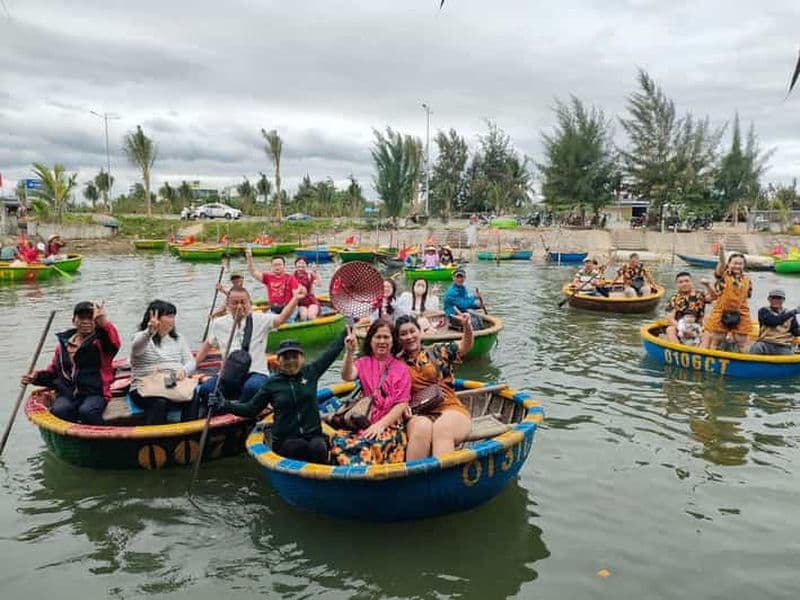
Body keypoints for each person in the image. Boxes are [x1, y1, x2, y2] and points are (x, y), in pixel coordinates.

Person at [211, 332, 346, 464]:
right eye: (286, 357)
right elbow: (250, 409)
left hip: (313, 435)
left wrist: (347, 331)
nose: (291, 361)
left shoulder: (311, 372)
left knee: (318, 448)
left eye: (294, 356)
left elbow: (332, 352)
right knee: (299, 448)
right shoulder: (272, 384)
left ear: (302, 358)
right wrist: (225, 404)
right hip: (286, 439)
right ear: (278, 361)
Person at [194, 286, 305, 406]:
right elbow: (207, 345)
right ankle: (218, 413)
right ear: (228, 304)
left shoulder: (260, 319)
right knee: (206, 390)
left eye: (243, 302)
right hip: (228, 374)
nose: (239, 306)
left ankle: (240, 412)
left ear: (249, 303)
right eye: (235, 303)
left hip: (255, 372)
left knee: (253, 387)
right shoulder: (218, 324)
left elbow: (281, 318)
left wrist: (295, 299)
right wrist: (191, 367)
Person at [21, 301, 121, 425]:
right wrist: (35, 378)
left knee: (87, 411)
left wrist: (104, 324)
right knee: (60, 410)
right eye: (81, 318)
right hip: (67, 393)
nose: (85, 322)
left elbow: (113, 343)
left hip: (95, 393)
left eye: (90, 318)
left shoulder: (100, 343)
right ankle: (72, 438)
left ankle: (102, 439)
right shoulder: (63, 346)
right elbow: (54, 373)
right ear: (74, 320)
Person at [330, 320, 411, 465]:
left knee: (371, 448)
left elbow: (402, 403)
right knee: (337, 443)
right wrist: (349, 352)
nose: (382, 341)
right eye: (377, 337)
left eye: (386, 337)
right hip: (364, 421)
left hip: (390, 424)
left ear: (393, 341)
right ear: (371, 340)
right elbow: (347, 376)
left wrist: (380, 425)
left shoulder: (401, 368)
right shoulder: (363, 362)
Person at [394, 313, 474, 459]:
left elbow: (465, 346)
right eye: (403, 334)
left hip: (449, 407)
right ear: (399, 339)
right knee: (421, 428)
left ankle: (443, 477)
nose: (409, 336)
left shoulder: (437, 351)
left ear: (420, 332)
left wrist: (467, 326)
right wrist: (401, 406)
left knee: (442, 428)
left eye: (412, 331)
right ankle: (413, 479)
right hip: (418, 412)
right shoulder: (396, 364)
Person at [129, 300, 196, 425]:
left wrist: (184, 370)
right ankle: (155, 439)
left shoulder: (179, 338)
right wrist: (149, 332)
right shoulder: (141, 337)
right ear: (155, 318)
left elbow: (191, 362)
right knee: (160, 402)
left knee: (193, 395)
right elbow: (136, 349)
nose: (172, 320)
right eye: (169, 316)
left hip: (172, 382)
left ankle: (190, 432)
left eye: (173, 316)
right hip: (145, 386)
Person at [702, 245, 753, 352]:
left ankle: (745, 362)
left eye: (740, 263)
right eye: (735, 263)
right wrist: (721, 250)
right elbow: (721, 262)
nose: (737, 266)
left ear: (744, 265)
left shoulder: (747, 280)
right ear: (729, 264)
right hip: (721, 311)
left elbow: (747, 296)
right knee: (716, 341)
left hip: (741, 312)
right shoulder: (723, 275)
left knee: (743, 342)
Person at [664, 271, 715, 344]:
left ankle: (701, 352)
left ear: (691, 282)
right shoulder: (673, 299)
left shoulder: (700, 295)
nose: (684, 284)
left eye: (687, 281)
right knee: (670, 329)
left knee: (707, 332)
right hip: (681, 327)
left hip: (698, 327)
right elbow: (670, 319)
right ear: (677, 284)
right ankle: (678, 349)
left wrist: (708, 285)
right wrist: (683, 329)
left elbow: (714, 297)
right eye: (680, 282)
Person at [245, 247, 298, 313]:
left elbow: (296, 297)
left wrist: (288, 310)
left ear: (284, 266)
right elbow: (253, 272)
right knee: (267, 321)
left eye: (279, 265)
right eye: (275, 265)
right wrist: (249, 258)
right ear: (271, 266)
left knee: (286, 320)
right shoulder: (268, 277)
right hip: (274, 308)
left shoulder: (290, 278)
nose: (277, 267)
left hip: (289, 308)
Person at [749, 289, 800, 355]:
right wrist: (793, 312)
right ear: (769, 299)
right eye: (773, 298)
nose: (776, 301)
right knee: (756, 347)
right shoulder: (763, 311)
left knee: (789, 351)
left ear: (783, 300)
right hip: (765, 343)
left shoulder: (790, 315)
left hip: (783, 345)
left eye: (779, 298)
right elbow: (772, 321)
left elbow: (795, 332)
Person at [292, 257, 321, 321]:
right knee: (303, 316)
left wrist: (316, 272)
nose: (301, 265)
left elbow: (319, 284)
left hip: (311, 301)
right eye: (299, 263)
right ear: (296, 264)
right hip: (300, 302)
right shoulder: (292, 277)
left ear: (306, 265)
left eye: (303, 263)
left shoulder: (309, 275)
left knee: (311, 316)